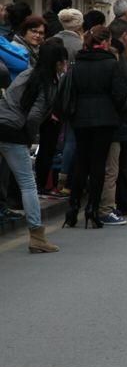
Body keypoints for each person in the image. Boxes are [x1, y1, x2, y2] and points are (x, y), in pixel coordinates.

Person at [64, 25, 127, 229]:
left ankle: (73, 207)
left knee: (81, 162)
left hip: (80, 118)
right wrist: (125, 109)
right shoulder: (111, 64)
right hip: (105, 118)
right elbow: (119, 94)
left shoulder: (76, 64)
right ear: (104, 43)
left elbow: (72, 91)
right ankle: (93, 209)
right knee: (98, 165)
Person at [0, 43, 67, 251]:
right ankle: (37, 236)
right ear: (57, 63)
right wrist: (29, 137)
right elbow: (34, 116)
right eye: (63, 61)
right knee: (28, 183)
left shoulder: (26, 74)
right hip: (14, 131)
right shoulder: (48, 84)